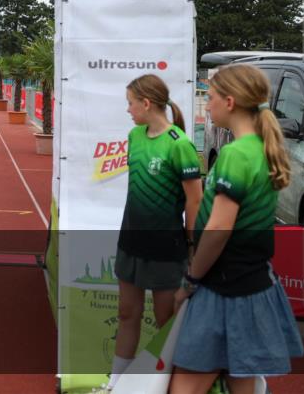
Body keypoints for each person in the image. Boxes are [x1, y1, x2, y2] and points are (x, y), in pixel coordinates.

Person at [169, 64, 303, 394]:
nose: (208, 104)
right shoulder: (260, 147)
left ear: (229, 102)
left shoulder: (235, 154)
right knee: (241, 380)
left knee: (185, 386)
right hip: (254, 285)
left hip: (222, 286)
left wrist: (191, 280)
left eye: (211, 97)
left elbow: (219, 229)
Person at [106, 75, 202, 391]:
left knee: (166, 325)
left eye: (130, 103)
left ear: (146, 104)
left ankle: (166, 387)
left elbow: (195, 200)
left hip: (165, 249)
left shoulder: (180, 144)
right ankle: (116, 384)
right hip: (130, 243)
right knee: (126, 314)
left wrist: (191, 247)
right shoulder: (134, 136)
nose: (128, 110)